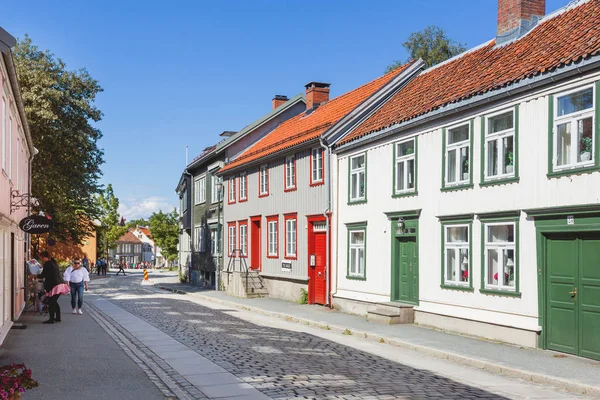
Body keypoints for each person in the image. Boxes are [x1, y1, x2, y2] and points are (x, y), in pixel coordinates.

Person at [39, 251, 65, 324]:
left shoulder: (48, 264)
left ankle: (51, 319)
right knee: (54, 301)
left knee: (51, 302)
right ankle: (57, 318)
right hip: (59, 284)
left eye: (41, 257)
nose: (41, 259)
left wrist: (35, 276)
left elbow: (43, 274)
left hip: (54, 285)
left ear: (44, 257)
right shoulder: (53, 263)